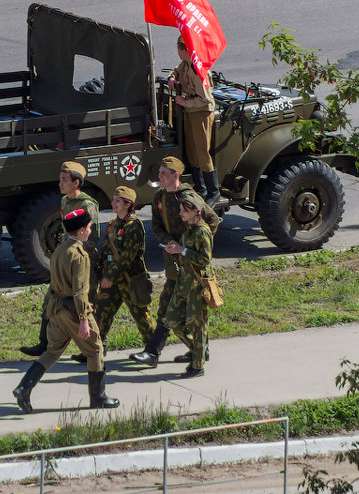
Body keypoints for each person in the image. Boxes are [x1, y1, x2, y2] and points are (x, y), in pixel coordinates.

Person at [12, 207, 120, 413]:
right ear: (80, 230)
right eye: (88, 227)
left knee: (52, 351)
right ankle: (98, 397)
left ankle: (24, 387)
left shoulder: (60, 250)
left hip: (57, 309)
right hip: (74, 310)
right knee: (95, 349)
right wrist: (84, 321)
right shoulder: (80, 255)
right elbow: (80, 292)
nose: (90, 230)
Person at [129, 156, 219, 367]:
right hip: (172, 262)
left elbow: (212, 220)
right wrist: (168, 242)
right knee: (167, 307)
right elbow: (157, 226)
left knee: (191, 312)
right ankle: (161, 352)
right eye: (159, 172)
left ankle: (182, 350)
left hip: (190, 266)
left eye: (163, 174)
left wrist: (193, 244)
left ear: (175, 176)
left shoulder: (188, 197)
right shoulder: (159, 196)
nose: (159, 176)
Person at [20, 161, 101, 358]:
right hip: (66, 257)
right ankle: (44, 343)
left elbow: (91, 236)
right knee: (51, 298)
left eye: (64, 180)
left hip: (83, 259)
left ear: (76, 182)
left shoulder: (87, 205)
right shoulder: (65, 201)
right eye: (60, 180)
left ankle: (92, 346)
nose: (60, 184)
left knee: (86, 304)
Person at [92, 185, 154, 350]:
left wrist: (109, 276)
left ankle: (153, 348)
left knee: (141, 316)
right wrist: (100, 273)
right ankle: (93, 351)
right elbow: (105, 251)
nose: (113, 203)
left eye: (118, 201)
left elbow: (127, 257)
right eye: (113, 200)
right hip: (111, 281)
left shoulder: (134, 226)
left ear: (128, 204)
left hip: (130, 279)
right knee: (100, 314)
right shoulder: (112, 225)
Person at [161, 193, 215, 379]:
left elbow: (205, 259)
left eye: (185, 210)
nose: (181, 213)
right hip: (184, 282)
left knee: (197, 325)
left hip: (197, 285)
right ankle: (197, 350)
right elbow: (185, 254)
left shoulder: (202, 231)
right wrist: (175, 250)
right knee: (172, 319)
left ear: (196, 212)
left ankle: (197, 365)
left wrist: (182, 250)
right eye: (180, 210)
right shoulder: (189, 228)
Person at [169, 38, 220, 205]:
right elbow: (177, 69)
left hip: (201, 112)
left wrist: (185, 103)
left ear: (182, 50)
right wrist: (172, 77)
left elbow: (206, 99)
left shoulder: (198, 69)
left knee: (202, 152)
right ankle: (200, 187)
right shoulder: (186, 62)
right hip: (191, 109)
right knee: (191, 149)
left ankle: (213, 191)